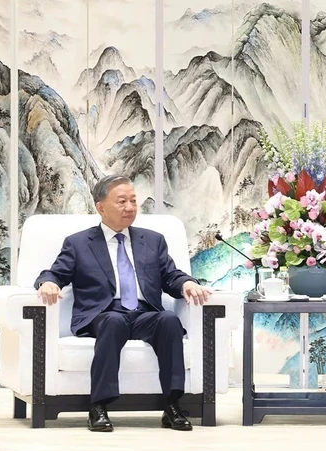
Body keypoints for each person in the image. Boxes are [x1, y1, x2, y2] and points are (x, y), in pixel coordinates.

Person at [35, 174, 211, 432]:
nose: (130, 207)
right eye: (121, 202)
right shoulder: (79, 243)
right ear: (100, 207)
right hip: (102, 314)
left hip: (143, 313)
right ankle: (98, 406)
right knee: (114, 321)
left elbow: (170, 275)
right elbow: (54, 273)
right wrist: (47, 284)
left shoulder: (152, 240)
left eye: (133, 201)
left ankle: (172, 405)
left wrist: (186, 283)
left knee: (169, 321)